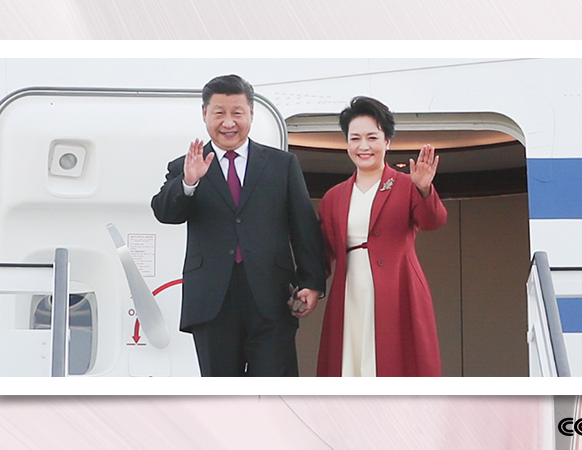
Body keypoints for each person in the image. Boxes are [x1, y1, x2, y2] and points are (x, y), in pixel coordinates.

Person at [151, 74, 326, 377]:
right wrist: (189, 182)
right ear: (204, 114)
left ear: (251, 114)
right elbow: (165, 212)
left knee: (274, 390)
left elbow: (304, 227)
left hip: (271, 296)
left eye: (237, 113)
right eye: (219, 113)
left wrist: (311, 281)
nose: (228, 123)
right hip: (212, 301)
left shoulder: (281, 165)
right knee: (222, 394)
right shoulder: (186, 165)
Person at [316, 96, 447, 377]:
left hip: (399, 290)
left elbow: (433, 221)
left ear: (387, 141)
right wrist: (308, 287)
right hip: (349, 290)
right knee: (348, 362)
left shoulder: (406, 184)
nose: (363, 146)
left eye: (372, 138)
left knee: (395, 365)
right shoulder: (333, 197)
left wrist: (424, 189)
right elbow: (322, 254)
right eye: (355, 139)